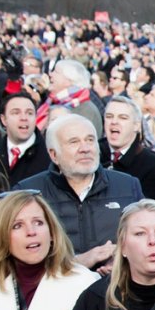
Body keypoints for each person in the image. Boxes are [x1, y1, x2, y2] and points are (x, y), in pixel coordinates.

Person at [15, 114, 144, 273]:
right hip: (55, 289)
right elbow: (18, 255)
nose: (85, 148)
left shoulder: (128, 186)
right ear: (54, 155)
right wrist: (76, 263)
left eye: (90, 140)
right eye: (74, 142)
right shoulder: (30, 193)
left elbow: (146, 240)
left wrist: (121, 263)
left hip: (116, 287)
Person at [103, 96, 155, 201]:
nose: (114, 121)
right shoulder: (90, 155)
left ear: (136, 125)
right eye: (109, 116)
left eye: (123, 117)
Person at [0, 93, 51, 185]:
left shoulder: (50, 155)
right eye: (16, 113)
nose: (24, 118)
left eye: (29, 113)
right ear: (3, 120)